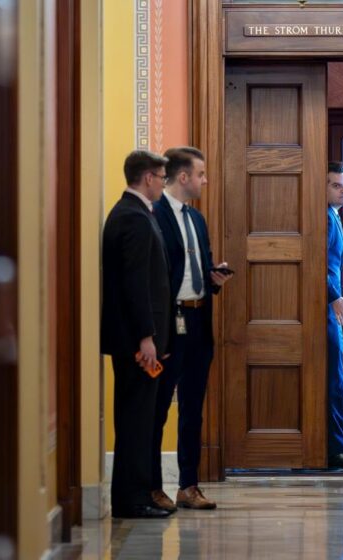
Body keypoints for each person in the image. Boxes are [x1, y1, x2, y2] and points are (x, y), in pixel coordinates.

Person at [150, 146, 232, 511]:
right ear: (183, 177)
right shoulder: (153, 213)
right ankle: (153, 486)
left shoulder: (197, 219)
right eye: (201, 174)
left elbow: (201, 267)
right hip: (170, 322)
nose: (205, 180)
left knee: (194, 407)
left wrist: (215, 277)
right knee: (159, 408)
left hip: (199, 320)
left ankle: (189, 485)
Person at [101, 150, 174, 519]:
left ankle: (136, 495)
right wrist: (147, 337)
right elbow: (134, 285)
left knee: (138, 419)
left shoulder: (132, 214)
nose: (163, 183)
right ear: (148, 177)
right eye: (162, 177)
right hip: (136, 342)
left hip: (136, 338)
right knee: (135, 420)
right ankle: (132, 500)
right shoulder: (132, 217)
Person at [327, 161, 343, 468]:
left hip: (334, 304)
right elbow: (320, 261)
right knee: (333, 380)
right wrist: (334, 297)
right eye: (336, 185)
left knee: (337, 378)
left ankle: (338, 445)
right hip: (325, 305)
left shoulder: (336, 216)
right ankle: (336, 449)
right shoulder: (325, 219)